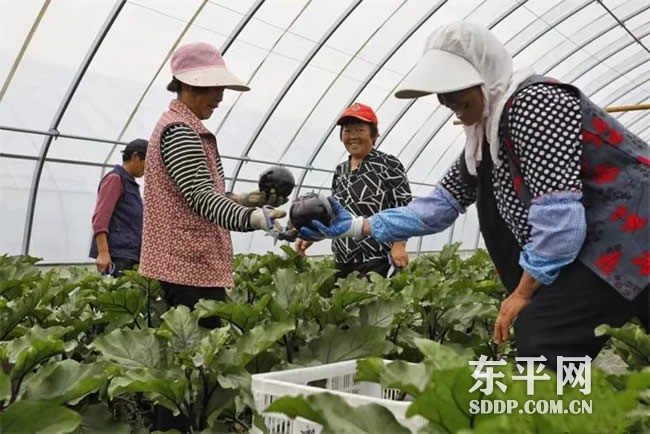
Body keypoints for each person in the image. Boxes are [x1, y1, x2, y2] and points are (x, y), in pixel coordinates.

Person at [299, 21, 649, 371]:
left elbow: (560, 219)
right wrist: (357, 226)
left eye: (453, 86)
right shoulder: (485, 138)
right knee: (544, 339)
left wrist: (523, 292)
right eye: (439, 90)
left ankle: (551, 419)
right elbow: (438, 206)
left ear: (485, 74)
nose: (444, 100)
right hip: (610, 249)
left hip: (630, 238)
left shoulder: (536, 104)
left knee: (545, 340)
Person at [295, 103, 412, 279]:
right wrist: (314, 235)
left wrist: (399, 244)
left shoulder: (388, 164)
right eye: (347, 131)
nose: (353, 136)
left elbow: (403, 207)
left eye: (360, 130)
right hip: (342, 258)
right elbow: (334, 212)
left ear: (374, 135)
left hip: (377, 257)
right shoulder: (340, 170)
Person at [89, 138, 147, 277]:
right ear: (135, 156)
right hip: (118, 256)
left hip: (129, 255)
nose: (148, 168)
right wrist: (103, 253)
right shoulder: (115, 179)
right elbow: (100, 219)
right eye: (148, 162)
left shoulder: (130, 183)